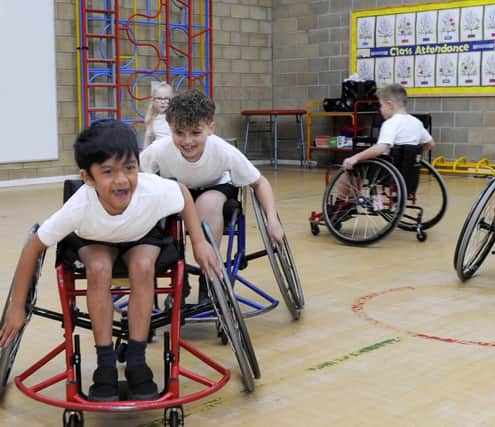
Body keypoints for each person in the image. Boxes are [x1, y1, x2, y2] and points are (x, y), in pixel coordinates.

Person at [0, 120, 218, 402]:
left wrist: (199, 241)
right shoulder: (79, 206)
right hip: (93, 239)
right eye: (108, 171)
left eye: (129, 168)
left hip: (140, 234)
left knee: (142, 266)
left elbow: (184, 195)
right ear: (88, 178)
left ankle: (137, 360)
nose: (122, 179)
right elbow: (33, 248)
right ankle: (105, 364)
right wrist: (17, 307)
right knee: (99, 268)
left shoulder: (152, 191)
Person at [140, 89, 284, 254]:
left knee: (207, 203)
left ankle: (210, 268)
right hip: (179, 189)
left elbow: (260, 183)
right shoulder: (160, 149)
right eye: (179, 133)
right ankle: (176, 263)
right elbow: (138, 173)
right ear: (170, 128)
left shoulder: (223, 150)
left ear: (210, 128)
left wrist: (272, 220)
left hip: (216, 186)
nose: (187, 141)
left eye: (195, 133)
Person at [341, 83, 434, 171]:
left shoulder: (391, 123)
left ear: (390, 104)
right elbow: (430, 144)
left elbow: (380, 148)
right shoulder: (416, 122)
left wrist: (355, 157)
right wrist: (413, 157)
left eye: (381, 105)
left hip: (386, 169)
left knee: (349, 169)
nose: (380, 109)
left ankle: (353, 187)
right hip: (409, 171)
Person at [143, 82, 174, 149]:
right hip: (158, 155)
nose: (163, 102)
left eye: (166, 98)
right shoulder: (152, 118)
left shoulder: (175, 117)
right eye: (159, 98)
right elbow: (147, 142)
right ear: (153, 100)